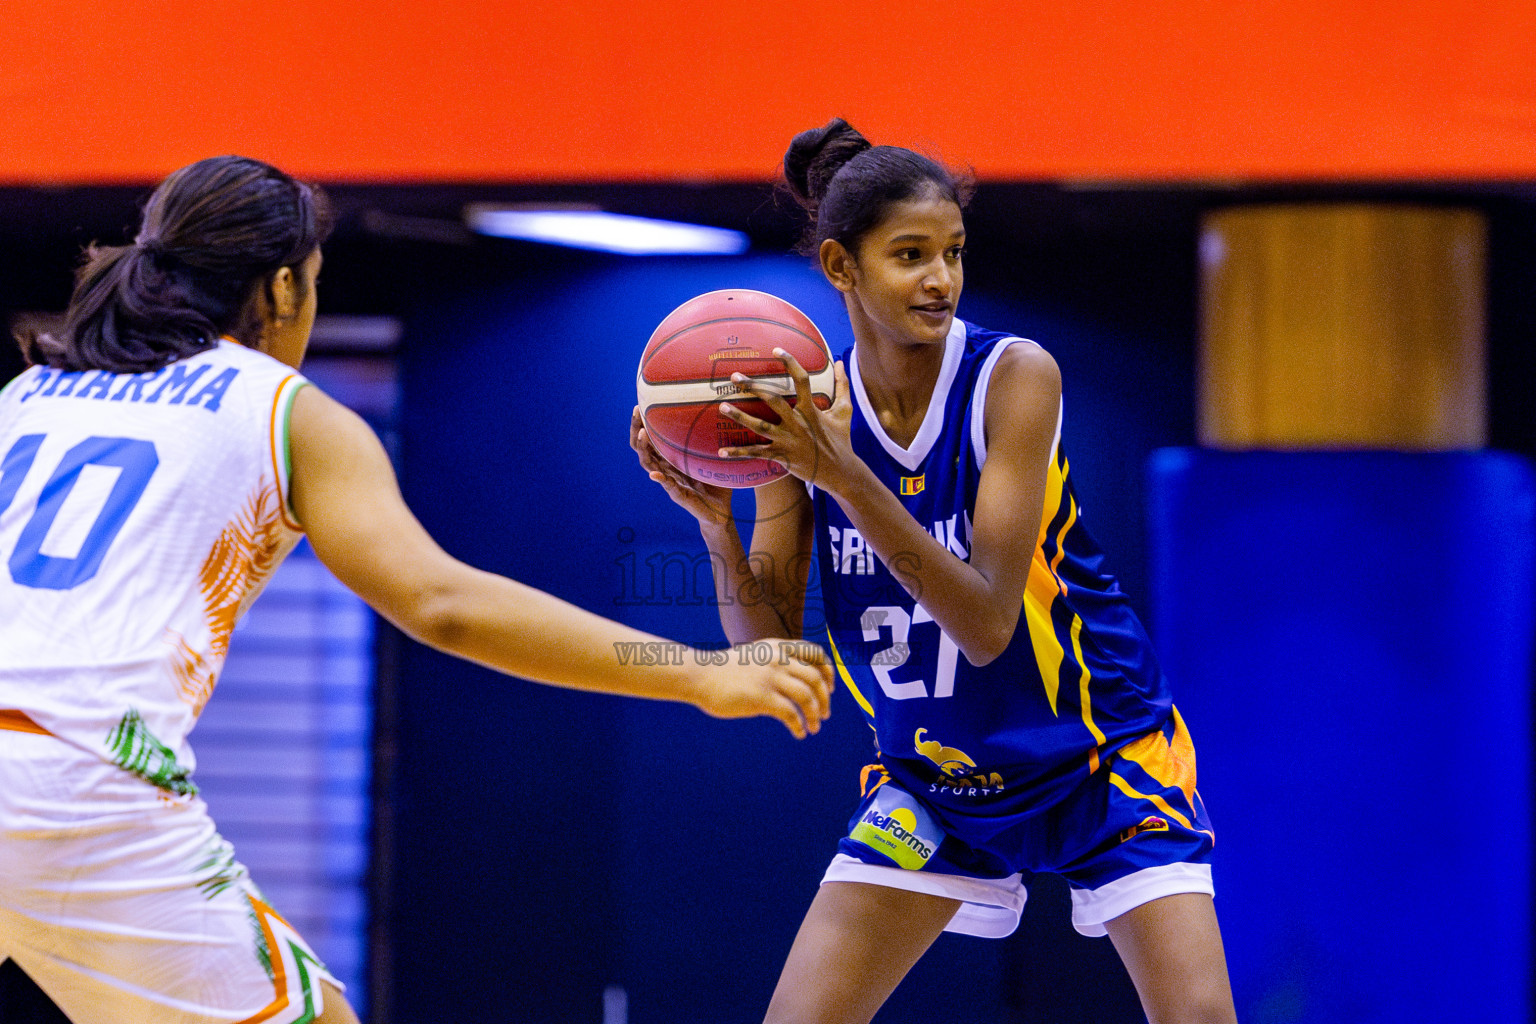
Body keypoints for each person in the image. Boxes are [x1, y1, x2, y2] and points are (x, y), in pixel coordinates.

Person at [0, 155, 834, 1024]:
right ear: (283, 288)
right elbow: (443, 605)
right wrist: (701, 673)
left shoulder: (29, 396)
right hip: (78, 782)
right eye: (315, 283)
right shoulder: (286, 409)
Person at [630, 119, 1237, 1024]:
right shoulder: (811, 414)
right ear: (841, 267)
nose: (941, 279)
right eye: (910, 255)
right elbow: (773, 653)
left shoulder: (1013, 378)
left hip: (1101, 762)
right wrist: (719, 525)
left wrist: (841, 474)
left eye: (953, 251)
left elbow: (988, 623)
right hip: (933, 784)